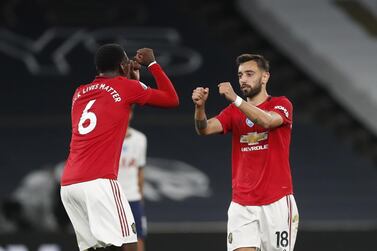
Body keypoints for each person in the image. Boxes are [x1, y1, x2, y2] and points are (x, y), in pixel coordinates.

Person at [60, 44, 179, 251]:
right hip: (99, 181)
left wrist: (130, 80)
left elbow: (115, 105)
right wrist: (152, 63)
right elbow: (171, 99)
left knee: (92, 248)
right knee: (130, 241)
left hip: (69, 185)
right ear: (123, 66)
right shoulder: (126, 87)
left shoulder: (79, 93)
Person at [192, 54, 299, 251]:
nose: (243, 79)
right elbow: (204, 129)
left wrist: (236, 99)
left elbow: (267, 121)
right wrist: (200, 108)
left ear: (265, 77)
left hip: (276, 201)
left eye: (250, 74)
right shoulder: (233, 112)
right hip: (242, 203)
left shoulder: (281, 104)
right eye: (240, 75)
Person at [118, 108, 147, 251]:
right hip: (113, 197)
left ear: (131, 114)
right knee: (112, 240)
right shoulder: (109, 137)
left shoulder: (140, 139)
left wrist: (140, 196)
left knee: (137, 238)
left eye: (128, 111)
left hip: (133, 197)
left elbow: (140, 169)